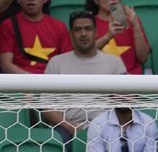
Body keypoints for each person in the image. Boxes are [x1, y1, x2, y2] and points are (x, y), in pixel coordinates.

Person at [41, 11, 127, 140]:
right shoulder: (56, 62)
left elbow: (125, 102)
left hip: (109, 127)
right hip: (68, 128)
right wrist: (71, 127)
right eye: (77, 30)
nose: (83, 34)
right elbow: (46, 107)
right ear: (71, 34)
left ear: (96, 32)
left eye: (88, 29)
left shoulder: (114, 62)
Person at [0, 0, 70, 75]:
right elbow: (6, 65)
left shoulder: (60, 27)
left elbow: (67, 64)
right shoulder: (8, 26)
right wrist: (30, 80)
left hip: (52, 85)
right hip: (20, 84)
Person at [85, 0, 151, 75]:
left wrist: (136, 25)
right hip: (100, 82)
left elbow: (143, 58)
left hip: (130, 81)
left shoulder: (131, 20)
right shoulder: (88, 24)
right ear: (95, 0)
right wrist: (108, 36)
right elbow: (84, 55)